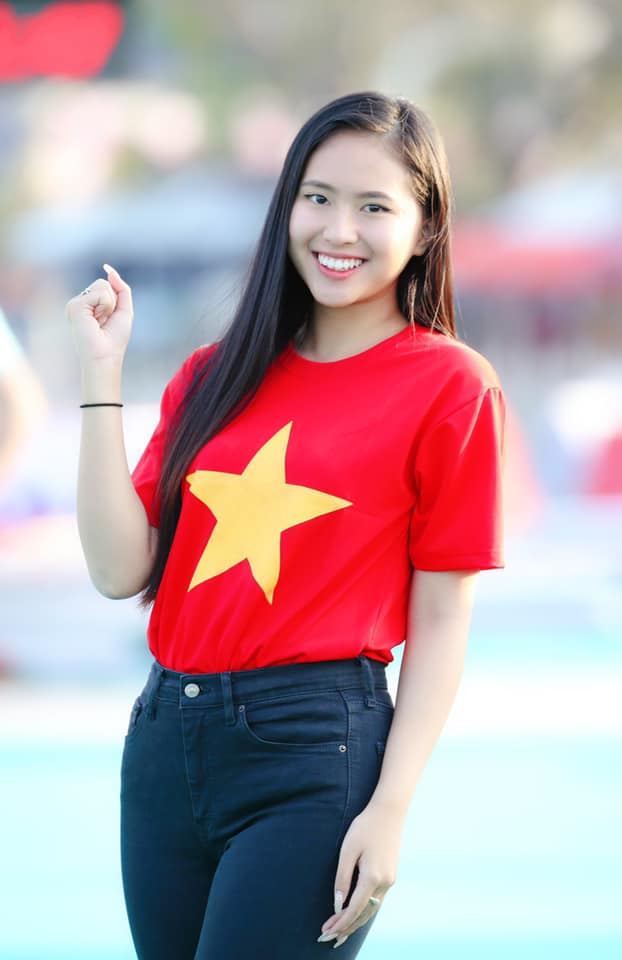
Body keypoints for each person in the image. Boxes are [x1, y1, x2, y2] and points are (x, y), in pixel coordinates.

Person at [67, 91, 506, 960]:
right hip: (164, 744)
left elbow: (443, 617)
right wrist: (101, 373)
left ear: (425, 228)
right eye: (318, 197)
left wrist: (391, 807)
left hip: (314, 753)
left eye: (374, 207)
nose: (339, 230)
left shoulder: (452, 387)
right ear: (287, 207)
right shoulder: (213, 375)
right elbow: (119, 571)